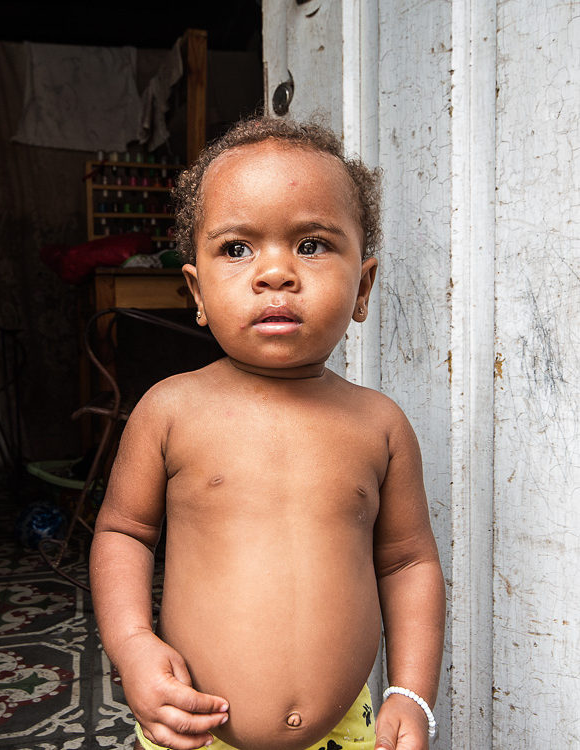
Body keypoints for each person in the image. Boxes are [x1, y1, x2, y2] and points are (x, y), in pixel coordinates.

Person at [90, 117, 445, 750]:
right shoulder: (170, 410)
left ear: (363, 286)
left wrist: (411, 694)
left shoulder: (379, 426)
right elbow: (123, 532)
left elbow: (409, 561)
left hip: (349, 733)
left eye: (311, 245)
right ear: (196, 292)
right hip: (193, 731)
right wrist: (133, 645)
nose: (275, 273)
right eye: (237, 249)